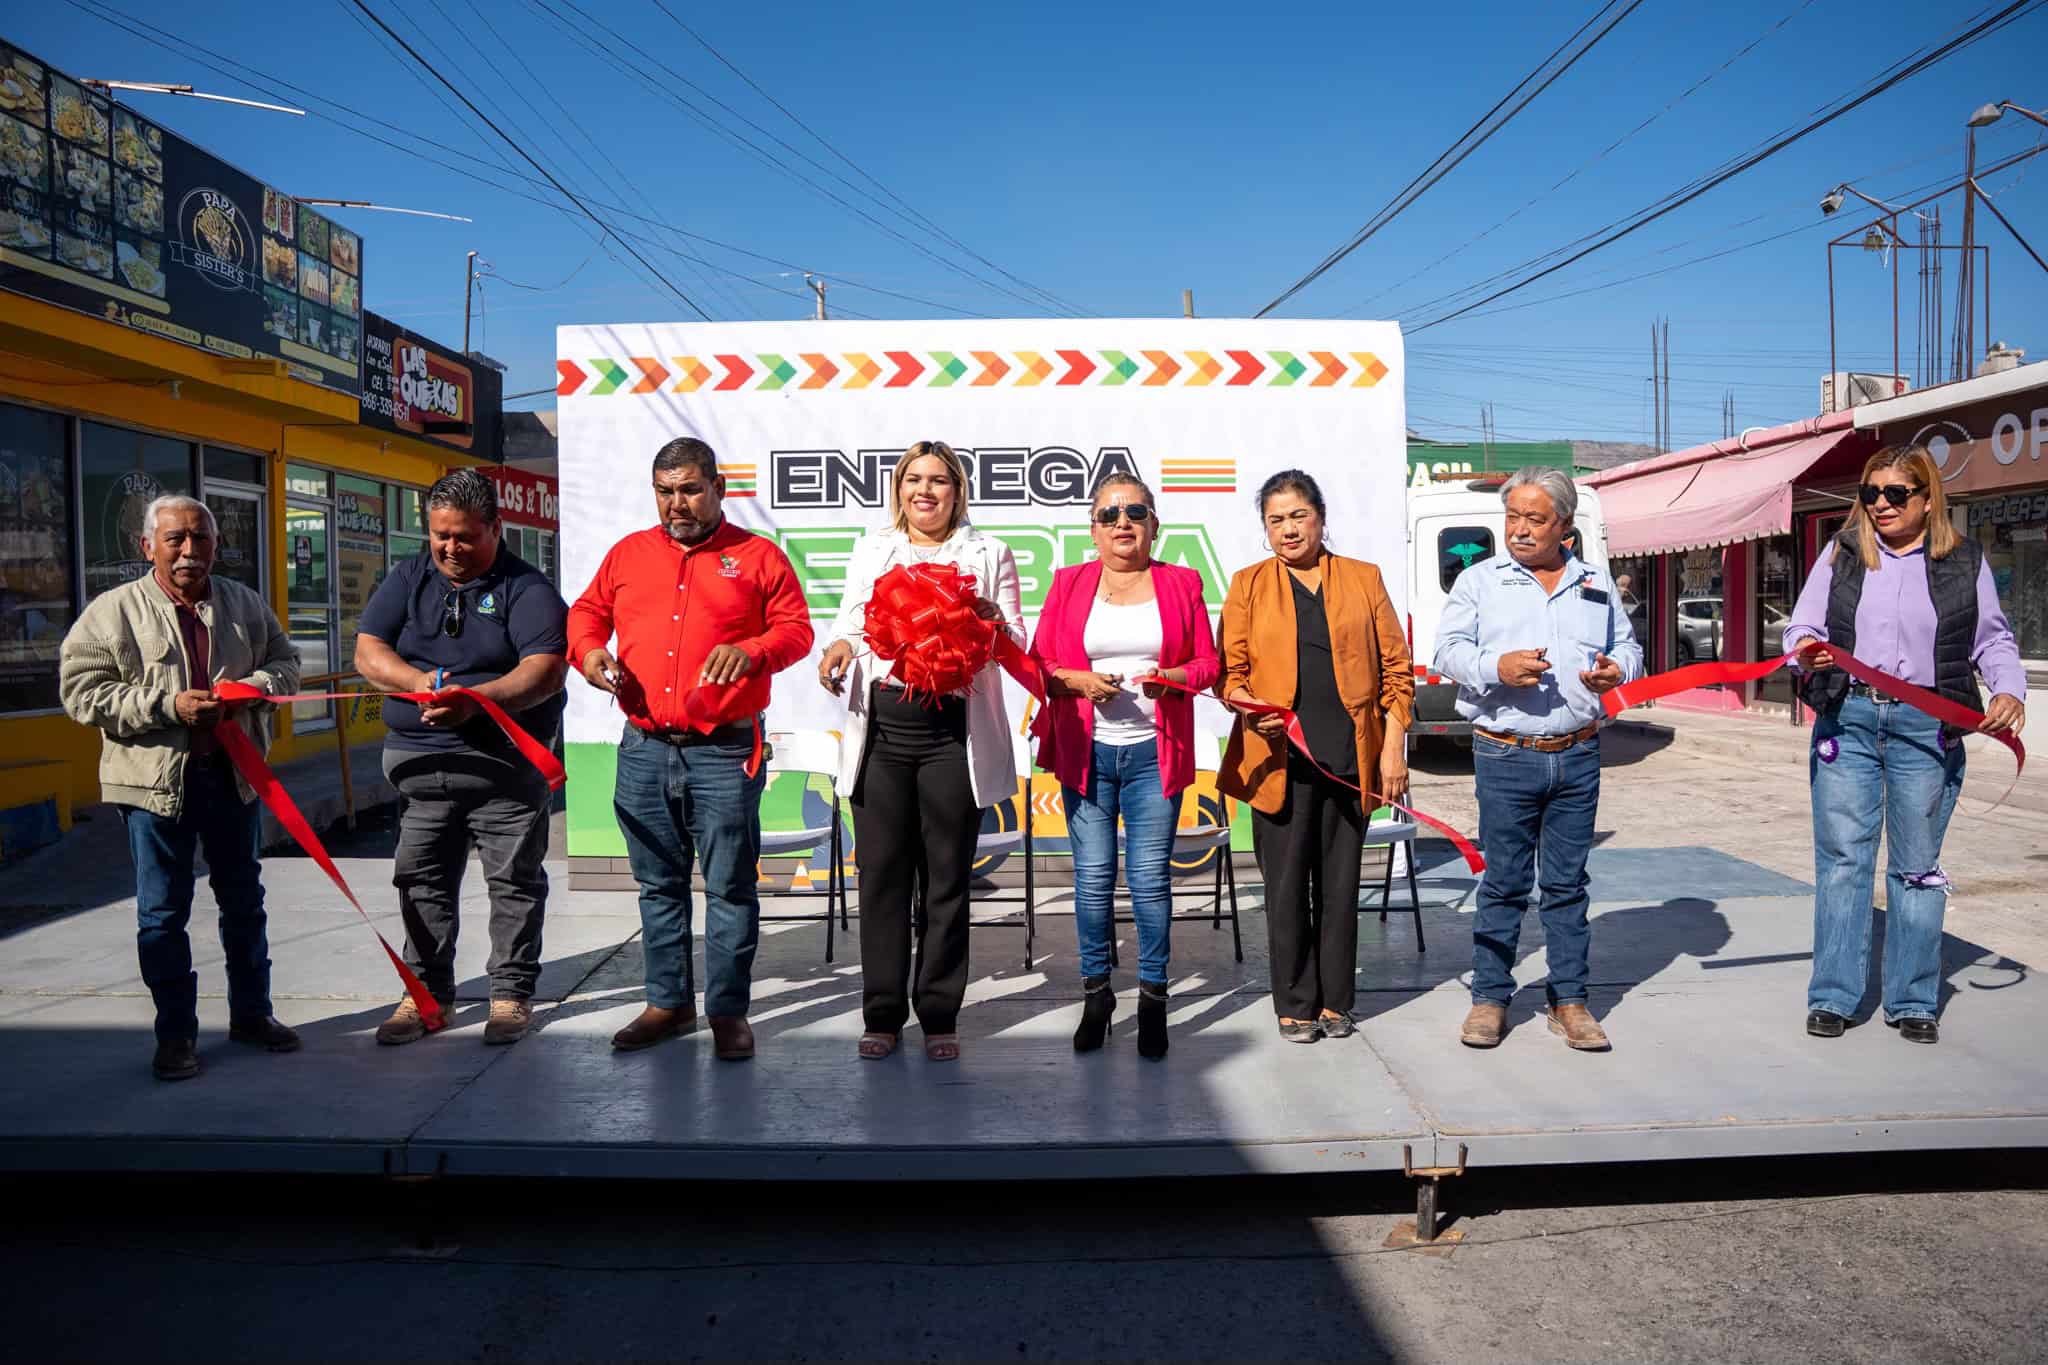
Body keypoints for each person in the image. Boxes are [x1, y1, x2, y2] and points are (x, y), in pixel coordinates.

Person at [570, 437, 814, 1059]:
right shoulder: (628, 554)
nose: (676, 503)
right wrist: (592, 654)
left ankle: (728, 1010)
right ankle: (668, 1003)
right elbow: (588, 615)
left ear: (717, 489)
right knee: (658, 883)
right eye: (665, 491)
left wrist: (754, 650)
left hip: (724, 751)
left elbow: (796, 631)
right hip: (644, 745)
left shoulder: (758, 557)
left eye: (689, 489)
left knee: (730, 886)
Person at [1785, 443, 2025, 1045]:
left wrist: (2010, 688)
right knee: (1844, 861)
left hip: (1927, 727)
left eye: (1896, 494)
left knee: (1916, 868)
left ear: (1927, 498)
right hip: (1849, 719)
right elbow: (1802, 624)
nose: (1881, 505)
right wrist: (1806, 648)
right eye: (1871, 494)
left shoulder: (1963, 561)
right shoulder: (1841, 556)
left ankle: (1913, 999)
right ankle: (1835, 996)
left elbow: (1992, 640)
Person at [58, 494, 302, 1081]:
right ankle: (175, 1038)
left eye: (201, 539)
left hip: (232, 780)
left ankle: (252, 1015)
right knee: (162, 915)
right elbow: (81, 692)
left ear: (217, 546)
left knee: (244, 904)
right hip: (152, 791)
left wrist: (250, 687)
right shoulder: (112, 611)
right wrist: (167, 705)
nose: (190, 550)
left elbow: (288, 663)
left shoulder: (244, 603)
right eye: (176, 540)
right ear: (148, 547)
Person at [818, 440, 1022, 1064]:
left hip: (951, 737)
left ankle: (938, 1014)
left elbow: (1015, 640)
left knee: (945, 883)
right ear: (898, 488)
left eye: (938, 480)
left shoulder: (990, 553)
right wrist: (839, 651)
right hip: (881, 732)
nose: (924, 491)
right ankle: (882, 1013)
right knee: (881, 879)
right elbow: (849, 625)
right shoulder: (871, 548)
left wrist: (988, 619)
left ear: (958, 491)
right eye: (913, 480)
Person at [354, 469, 569, 1048]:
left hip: (503, 769)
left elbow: (543, 669)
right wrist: (416, 682)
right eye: (439, 535)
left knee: (513, 883)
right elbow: (369, 650)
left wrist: (479, 702)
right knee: (420, 882)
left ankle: (510, 995)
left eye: (464, 537)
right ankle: (425, 996)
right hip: (421, 768)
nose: (450, 547)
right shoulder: (408, 577)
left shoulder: (529, 589)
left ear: (495, 529)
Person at [1433, 466, 1642, 1053]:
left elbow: (1629, 648)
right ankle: (1490, 998)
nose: (1520, 530)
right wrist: (1494, 668)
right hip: (1505, 754)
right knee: (1503, 883)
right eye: (1513, 517)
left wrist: (1616, 671)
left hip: (1577, 755)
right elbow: (1447, 652)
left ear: (1565, 525)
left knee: (1568, 885)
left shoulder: (1595, 584)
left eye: (1535, 519)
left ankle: (1569, 999)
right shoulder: (1479, 582)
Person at [1218, 470, 1413, 1044]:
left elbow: (1397, 674)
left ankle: (1336, 1002)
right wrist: (1251, 706)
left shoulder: (1362, 579)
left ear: (1321, 518)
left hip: (1349, 760)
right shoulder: (1248, 584)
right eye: (1275, 520)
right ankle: (1295, 1003)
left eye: (1298, 515)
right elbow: (1230, 676)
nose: (1288, 529)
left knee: (1339, 889)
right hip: (1277, 761)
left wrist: (1393, 750)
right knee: (1284, 892)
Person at [1029, 473, 1219, 1058]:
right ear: (1093, 530)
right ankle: (1097, 996)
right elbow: (1038, 664)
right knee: (1090, 882)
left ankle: (1154, 999)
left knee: (1149, 882)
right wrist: (1075, 680)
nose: (1122, 524)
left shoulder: (1181, 582)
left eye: (1134, 513)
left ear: (1154, 525)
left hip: (1152, 756)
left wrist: (1175, 680)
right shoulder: (1068, 584)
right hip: (1085, 753)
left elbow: (1208, 663)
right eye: (1109, 515)